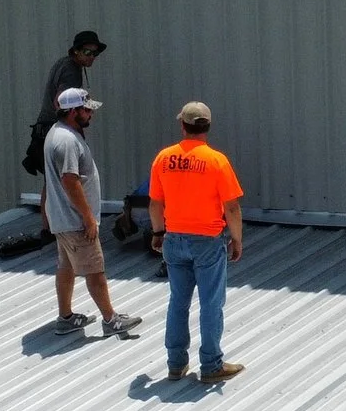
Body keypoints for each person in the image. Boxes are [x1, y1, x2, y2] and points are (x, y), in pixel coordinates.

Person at [148, 102, 245, 383]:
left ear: (183, 125)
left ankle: (176, 364)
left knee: (178, 301)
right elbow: (232, 207)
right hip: (207, 241)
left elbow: (155, 203)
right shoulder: (217, 161)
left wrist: (157, 233)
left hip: (174, 239)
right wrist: (236, 239)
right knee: (211, 303)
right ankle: (211, 365)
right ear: (208, 127)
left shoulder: (164, 158)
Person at [44, 89, 142, 338]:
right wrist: (88, 217)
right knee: (95, 269)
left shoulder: (58, 133)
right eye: (86, 110)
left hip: (62, 219)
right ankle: (111, 320)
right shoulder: (67, 141)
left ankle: (65, 317)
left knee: (66, 267)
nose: (91, 114)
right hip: (75, 221)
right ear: (72, 111)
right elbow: (70, 180)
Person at [21, 31, 107, 231]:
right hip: (54, 126)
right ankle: (52, 228)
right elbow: (61, 100)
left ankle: (48, 228)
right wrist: (73, 127)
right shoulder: (71, 70)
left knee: (51, 182)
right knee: (65, 179)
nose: (91, 57)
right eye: (87, 52)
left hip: (46, 129)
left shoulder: (65, 63)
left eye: (95, 53)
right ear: (76, 51)